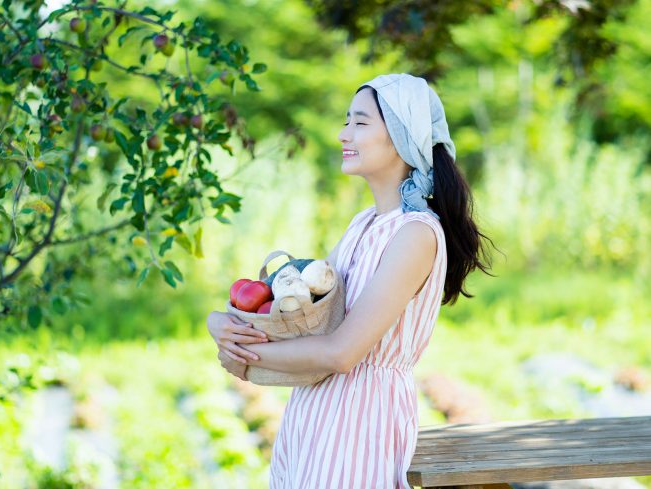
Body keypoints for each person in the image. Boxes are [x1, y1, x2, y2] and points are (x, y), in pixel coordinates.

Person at [206, 73, 496, 489]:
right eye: (347, 121)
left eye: (360, 123)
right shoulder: (363, 223)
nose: (344, 134)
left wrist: (242, 358)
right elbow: (306, 319)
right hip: (312, 417)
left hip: (360, 426)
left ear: (401, 136)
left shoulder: (415, 234)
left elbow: (340, 353)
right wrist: (222, 323)